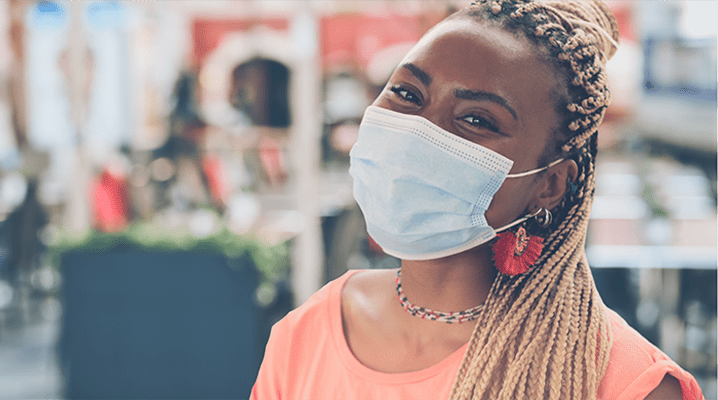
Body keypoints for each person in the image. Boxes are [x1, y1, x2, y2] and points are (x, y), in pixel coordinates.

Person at [250, 1, 705, 399]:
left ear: (548, 184)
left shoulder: (625, 383)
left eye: (476, 119)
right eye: (408, 94)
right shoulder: (305, 335)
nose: (419, 130)